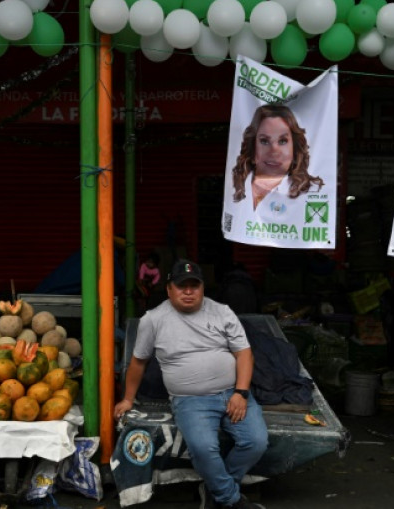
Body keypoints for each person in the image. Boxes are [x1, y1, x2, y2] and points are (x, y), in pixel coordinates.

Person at [113, 259, 268, 509]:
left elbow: (244, 353)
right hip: (190, 400)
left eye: (194, 286)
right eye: (181, 285)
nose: (188, 291)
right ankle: (232, 500)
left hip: (232, 393)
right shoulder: (153, 319)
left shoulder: (222, 311)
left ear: (202, 288)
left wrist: (240, 392)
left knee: (256, 442)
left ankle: (215, 489)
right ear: (169, 289)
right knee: (204, 448)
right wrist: (128, 399)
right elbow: (138, 362)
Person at [231, 104, 324, 211]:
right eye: (264, 141)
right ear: (252, 146)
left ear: (295, 147)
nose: (274, 150)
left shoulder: (313, 191)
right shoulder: (234, 185)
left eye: (283, 141)